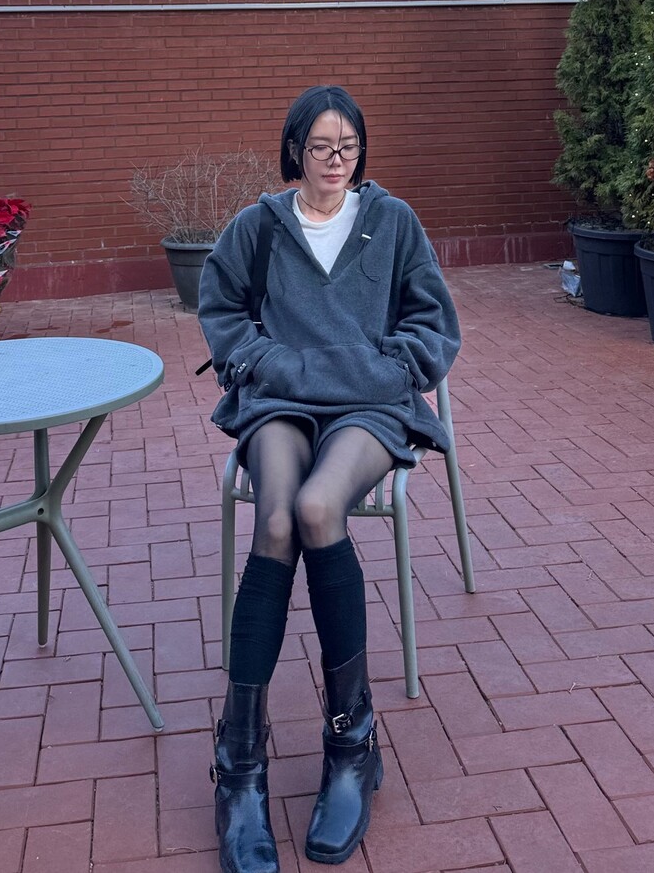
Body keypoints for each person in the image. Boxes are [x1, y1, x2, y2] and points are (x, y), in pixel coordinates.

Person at [198, 85, 461, 872]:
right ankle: (239, 761)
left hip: (367, 408)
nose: (336, 158)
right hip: (280, 403)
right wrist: (263, 362)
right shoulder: (258, 227)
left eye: (348, 145)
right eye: (320, 145)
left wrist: (383, 369)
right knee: (276, 518)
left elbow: (433, 324)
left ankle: (352, 743)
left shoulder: (393, 221)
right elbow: (221, 309)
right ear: (295, 151)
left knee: (318, 507)